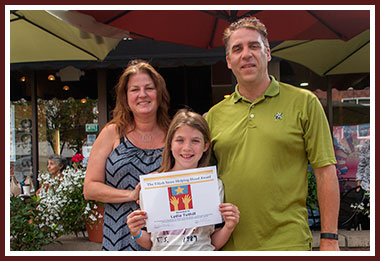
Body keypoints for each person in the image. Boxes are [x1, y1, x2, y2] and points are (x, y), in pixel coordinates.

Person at [205, 17, 340, 251]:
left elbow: (325, 172)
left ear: (267, 53)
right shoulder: (213, 116)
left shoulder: (304, 103)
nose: (246, 54)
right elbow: (200, 180)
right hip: (231, 245)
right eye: (237, 49)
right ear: (228, 61)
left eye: (254, 46)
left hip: (288, 242)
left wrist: (329, 238)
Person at [83, 59, 171, 251]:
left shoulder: (174, 135)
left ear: (159, 93)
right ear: (125, 97)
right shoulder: (112, 133)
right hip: (119, 237)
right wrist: (131, 195)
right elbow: (89, 188)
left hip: (165, 240)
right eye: (134, 89)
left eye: (149, 88)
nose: (142, 94)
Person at [126, 109, 240, 251]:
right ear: (170, 144)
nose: (187, 148)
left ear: (205, 146)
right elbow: (152, 243)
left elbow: (212, 243)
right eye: (180, 140)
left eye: (195, 141)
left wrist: (229, 226)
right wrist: (135, 232)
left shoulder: (214, 186)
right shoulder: (152, 187)